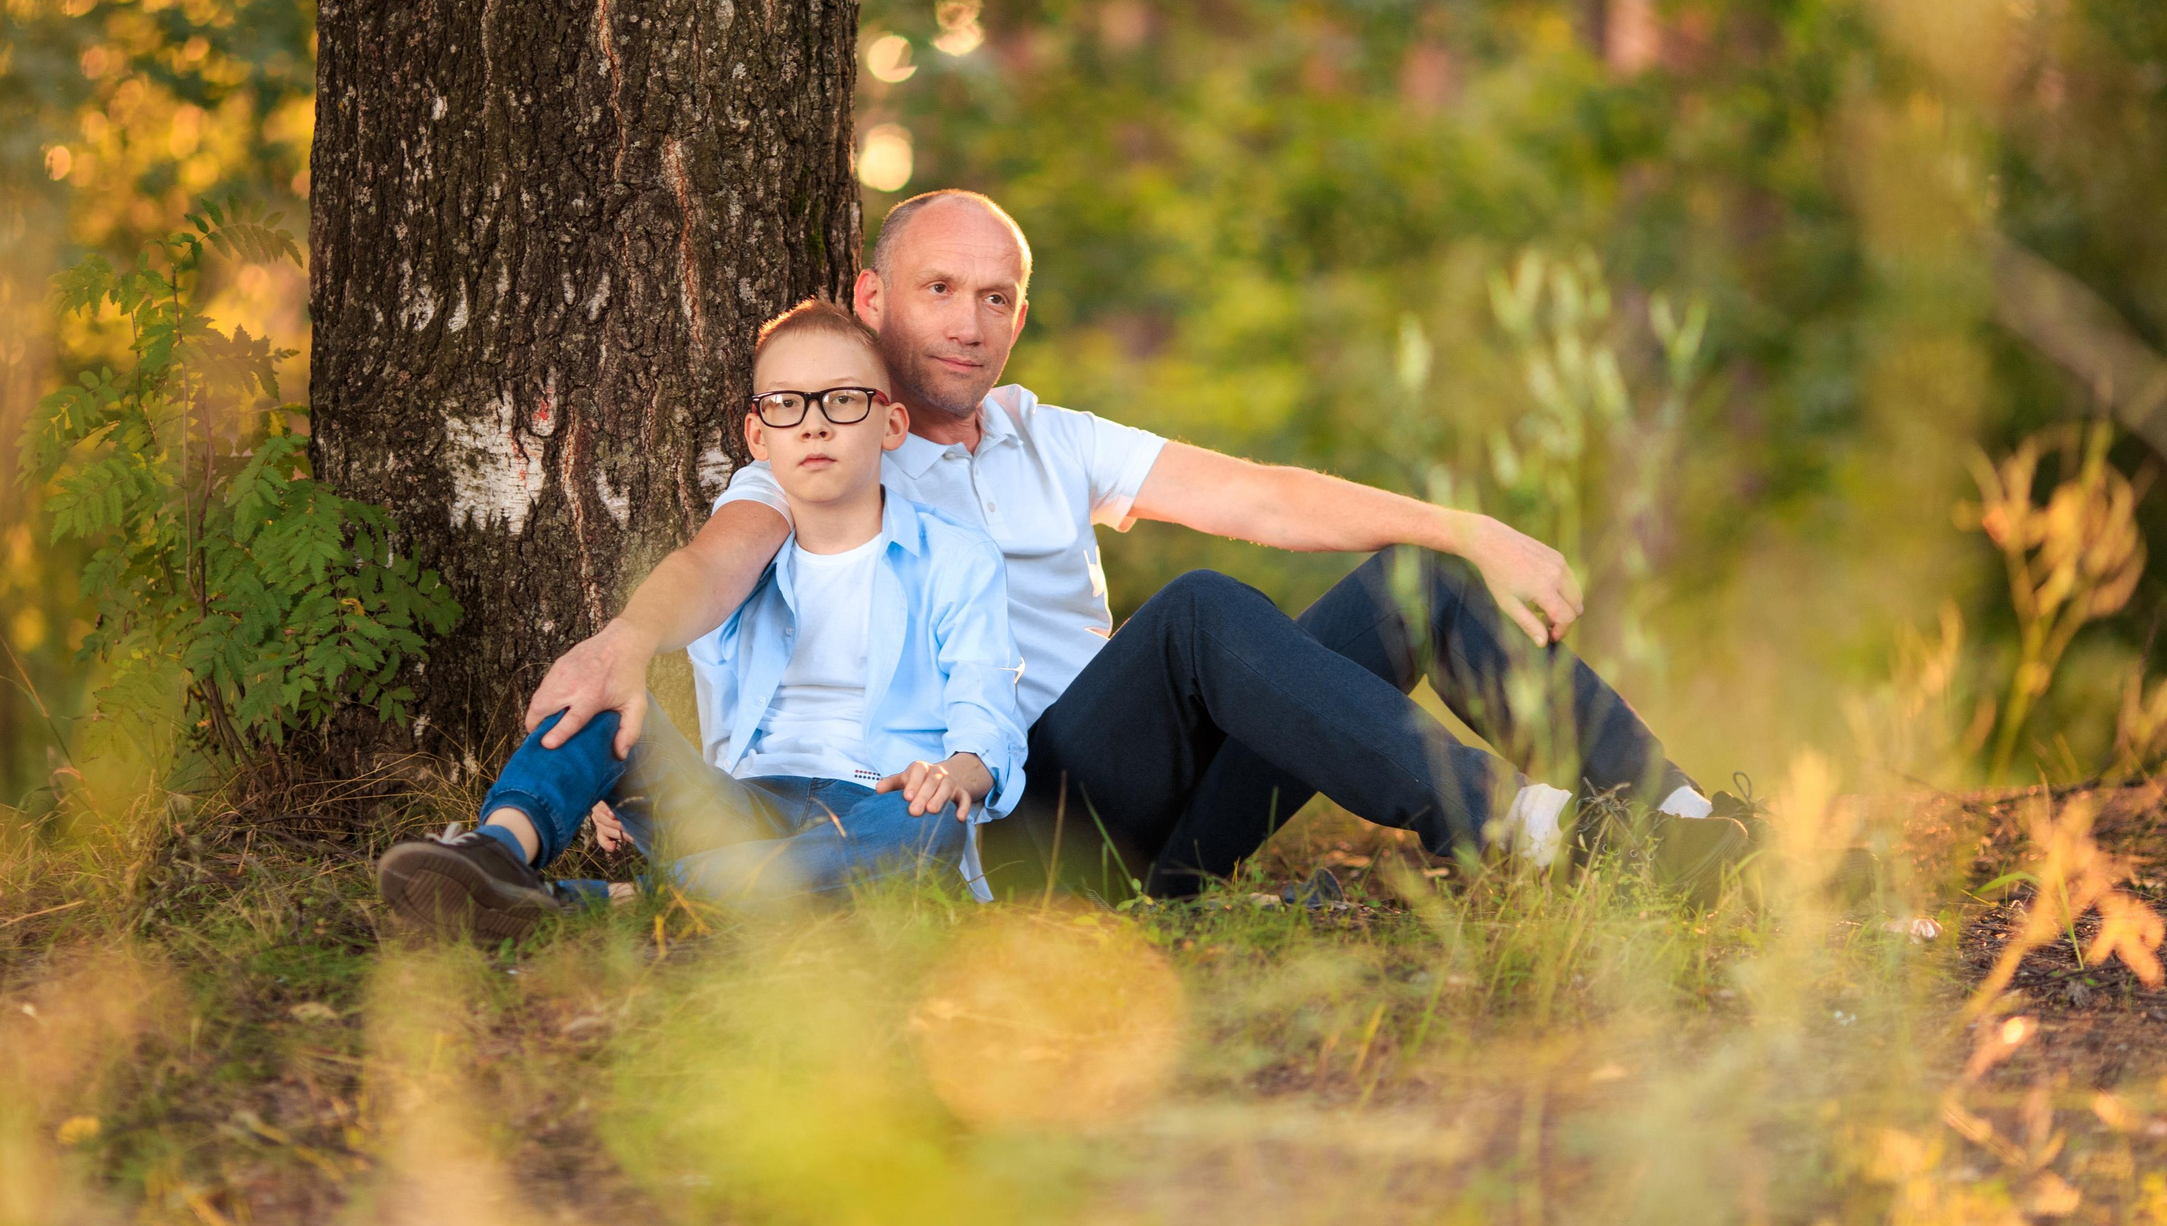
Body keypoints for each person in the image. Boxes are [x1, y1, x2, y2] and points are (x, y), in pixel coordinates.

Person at [536, 190, 1754, 906]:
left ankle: (1687, 828)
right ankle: (1516, 829)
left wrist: (1466, 528)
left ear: (1021, 314)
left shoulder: (1046, 436)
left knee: (1417, 580)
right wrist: (629, 639)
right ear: (871, 300)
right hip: (1008, 837)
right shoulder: (831, 454)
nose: (968, 324)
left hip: (1165, 825)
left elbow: (1263, 499)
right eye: (938, 289)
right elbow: (718, 561)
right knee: (1198, 617)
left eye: (996, 298)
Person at [376, 299, 1027, 945]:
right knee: (606, 694)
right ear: (758, 437)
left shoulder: (957, 557)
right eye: (786, 404)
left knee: (931, 822)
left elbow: (988, 716)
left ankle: (612, 905)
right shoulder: (745, 560)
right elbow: (697, 577)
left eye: (843, 400)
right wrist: (612, 761)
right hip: (735, 810)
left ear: (891, 424)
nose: (814, 425)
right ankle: (494, 855)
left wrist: (956, 772)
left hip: (876, 806)